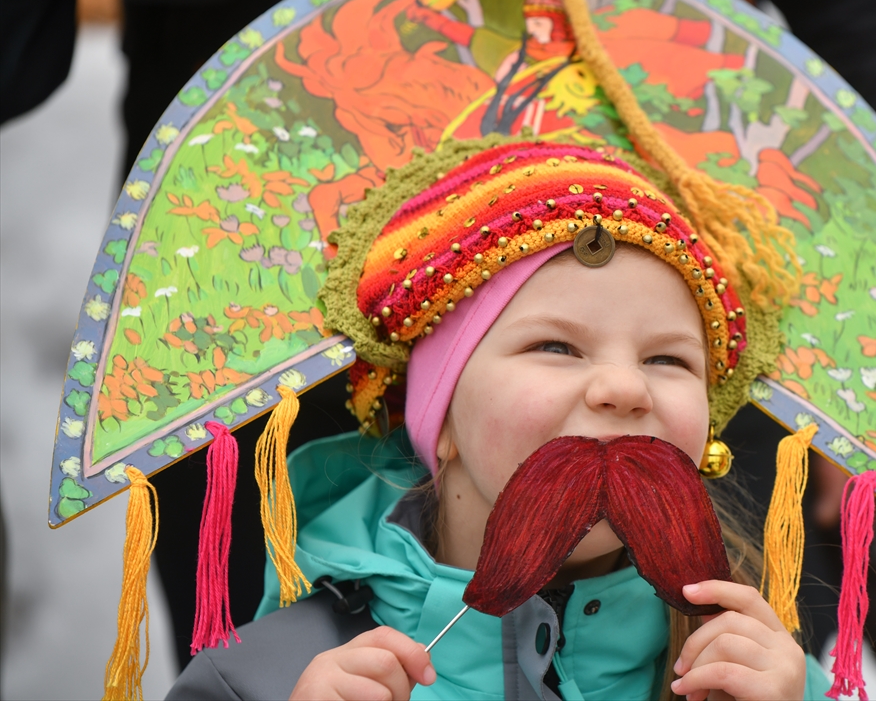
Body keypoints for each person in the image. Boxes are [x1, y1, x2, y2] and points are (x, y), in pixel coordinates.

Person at [3, 0, 876, 688]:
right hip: (278, 278)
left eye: (647, 370)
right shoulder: (278, 661)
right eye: (564, 355)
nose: (614, 389)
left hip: (705, 230)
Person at [167, 138, 831, 700]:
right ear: (441, 416)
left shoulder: (767, 677)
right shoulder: (264, 678)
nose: (626, 387)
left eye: (667, 359)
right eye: (556, 347)